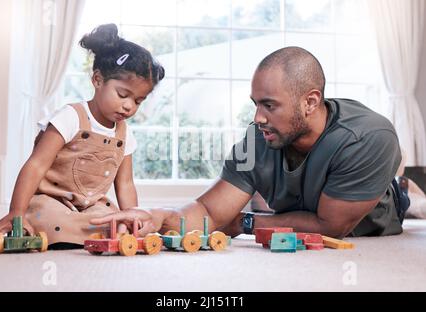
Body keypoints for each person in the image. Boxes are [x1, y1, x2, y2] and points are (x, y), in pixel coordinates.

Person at [91, 46, 408, 239]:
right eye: (255, 104)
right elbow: (209, 212)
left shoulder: (367, 137)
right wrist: (158, 217)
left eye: (269, 105)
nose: (258, 118)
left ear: (310, 102)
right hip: (301, 204)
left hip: (374, 215)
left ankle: (406, 190)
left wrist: (245, 222)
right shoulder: (258, 139)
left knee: (400, 200)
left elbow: (330, 226)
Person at [0, 24, 165, 246]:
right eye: (123, 94)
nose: (129, 106)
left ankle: (88, 234)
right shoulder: (70, 117)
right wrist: (16, 213)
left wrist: (131, 217)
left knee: (114, 223)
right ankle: (64, 232)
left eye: (138, 101)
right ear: (97, 80)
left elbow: (126, 183)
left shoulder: (125, 134)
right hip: (52, 201)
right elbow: (36, 165)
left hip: (90, 205)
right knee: (49, 219)